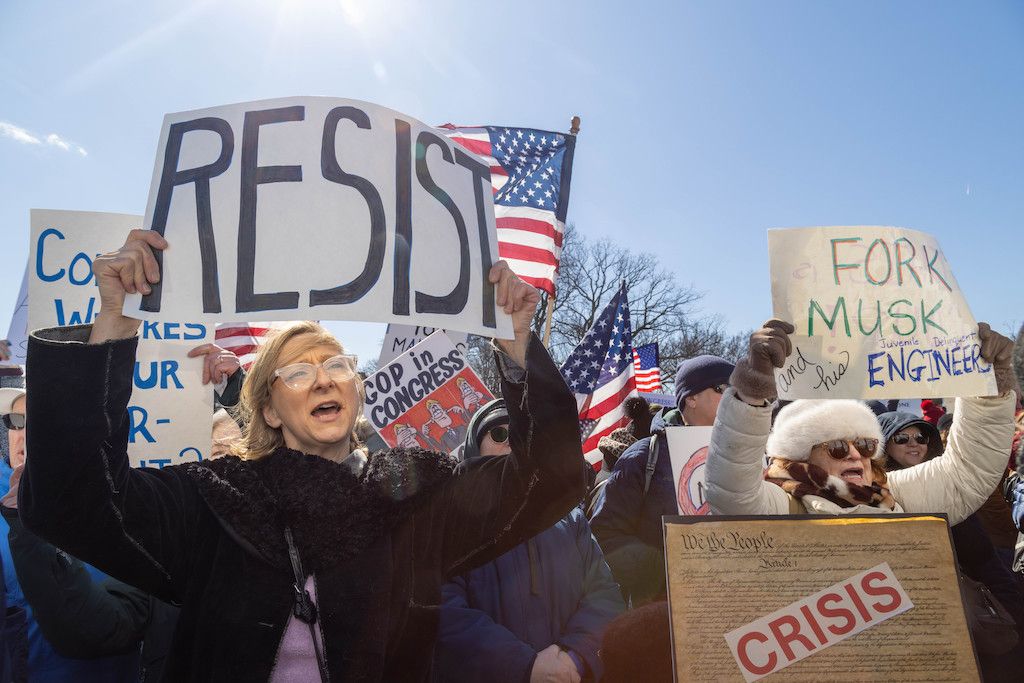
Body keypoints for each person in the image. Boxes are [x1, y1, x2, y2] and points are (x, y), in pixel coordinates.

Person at [19, 229, 586, 682]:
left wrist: (516, 342)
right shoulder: (213, 501)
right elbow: (75, 502)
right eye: (297, 371)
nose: (322, 380)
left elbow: (549, 480)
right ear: (267, 410)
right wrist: (113, 323)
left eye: (336, 365)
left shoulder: (416, 497)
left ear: (356, 390)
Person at [706, 319, 1017, 522]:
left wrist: (989, 387)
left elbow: (968, 474)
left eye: (866, 445)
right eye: (839, 447)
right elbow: (732, 493)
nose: (856, 455)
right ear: (803, 454)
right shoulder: (785, 503)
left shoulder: (893, 493)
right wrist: (750, 395)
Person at [435, 399, 624, 683]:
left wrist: (574, 655)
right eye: (500, 434)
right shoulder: (451, 524)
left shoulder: (570, 519)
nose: (513, 443)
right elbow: (444, 613)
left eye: (523, 435)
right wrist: (524, 666)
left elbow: (605, 594)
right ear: (475, 446)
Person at [0, 388, 141, 682]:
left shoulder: (124, 498)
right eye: (16, 420)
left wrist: (229, 389)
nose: (24, 432)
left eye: (42, 418)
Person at [589, 355, 733, 605]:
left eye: (739, 391)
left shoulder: (749, 457)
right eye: (724, 389)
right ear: (691, 397)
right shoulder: (644, 456)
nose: (735, 398)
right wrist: (665, 568)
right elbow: (604, 535)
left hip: (732, 605)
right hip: (662, 612)